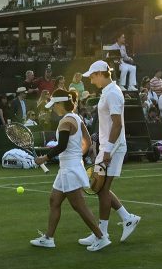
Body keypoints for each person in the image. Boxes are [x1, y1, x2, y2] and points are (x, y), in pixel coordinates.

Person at [29, 88, 108, 249]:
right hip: (69, 166)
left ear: (60, 104)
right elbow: (86, 141)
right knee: (54, 200)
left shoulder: (65, 121)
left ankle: (101, 237)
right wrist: (78, 155)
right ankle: (49, 238)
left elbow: (62, 145)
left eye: (54, 105)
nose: (52, 108)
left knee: (79, 206)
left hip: (70, 169)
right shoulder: (76, 118)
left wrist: (44, 158)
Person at [80, 60, 140, 251]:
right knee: (99, 188)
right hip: (106, 147)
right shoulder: (107, 91)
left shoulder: (113, 93)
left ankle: (102, 234)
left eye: (92, 76)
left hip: (113, 148)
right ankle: (126, 219)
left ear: (100, 74)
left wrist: (107, 150)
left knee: (102, 190)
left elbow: (118, 124)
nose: (90, 79)